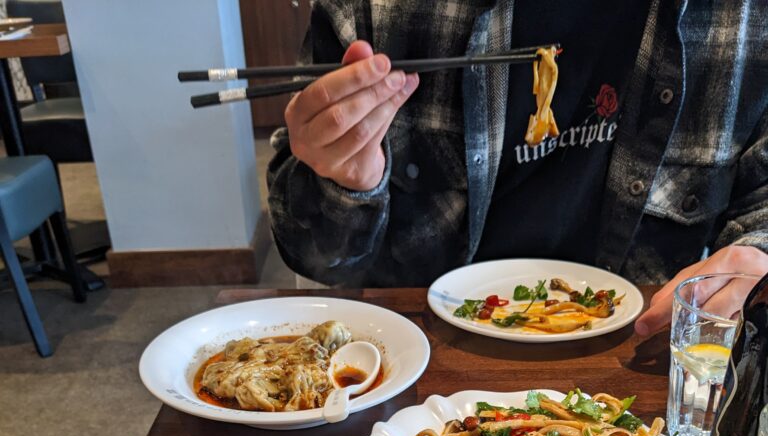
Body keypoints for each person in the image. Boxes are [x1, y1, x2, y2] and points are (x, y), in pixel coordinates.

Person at [267, 1, 768, 336]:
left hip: (639, 358)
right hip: (418, 359)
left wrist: (756, 259)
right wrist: (343, 182)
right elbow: (315, 258)